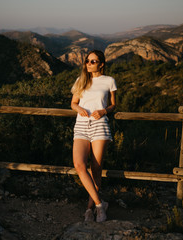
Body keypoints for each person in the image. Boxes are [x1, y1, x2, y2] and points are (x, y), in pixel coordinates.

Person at [71, 50, 117, 222]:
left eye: (93, 61)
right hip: (81, 125)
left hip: (100, 125)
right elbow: (73, 103)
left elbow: (113, 104)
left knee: (96, 169)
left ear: (101, 64)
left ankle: (90, 209)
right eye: (87, 61)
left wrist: (104, 110)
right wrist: (79, 109)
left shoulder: (109, 81)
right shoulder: (81, 80)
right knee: (79, 165)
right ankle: (100, 205)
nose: (88, 64)